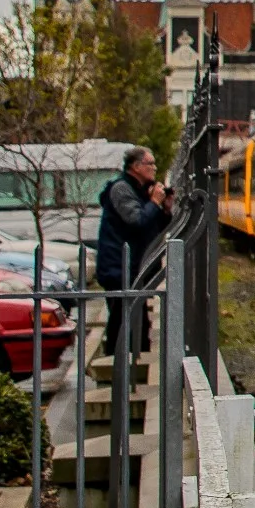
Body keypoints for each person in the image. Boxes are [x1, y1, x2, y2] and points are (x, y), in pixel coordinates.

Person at [96, 146, 169, 359]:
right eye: (150, 164)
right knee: (122, 323)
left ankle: (133, 364)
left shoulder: (139, 189)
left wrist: (164, 209)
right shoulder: (121, 189)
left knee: (137, 323)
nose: (154, 168)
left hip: (133, 267)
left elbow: (153, 227)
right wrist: (154, 202)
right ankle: (117, 367)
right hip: (118, 268)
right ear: (136, 166)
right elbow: (137, 221)